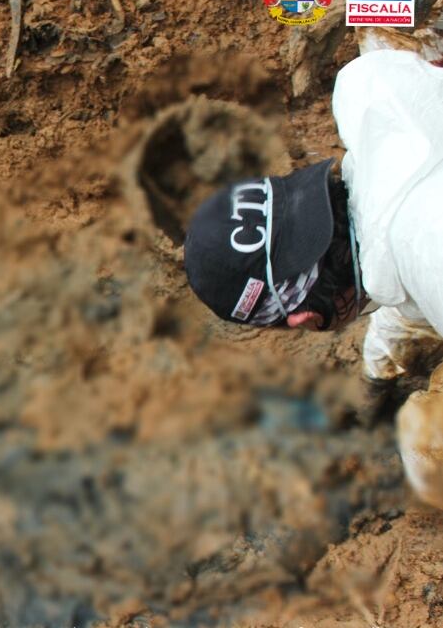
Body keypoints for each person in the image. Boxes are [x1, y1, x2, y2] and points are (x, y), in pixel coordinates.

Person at [182, 48, 443, 507]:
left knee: (428, 450)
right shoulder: (368, 83)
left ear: (303, 319)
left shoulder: (430, 258)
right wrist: (378, 372)